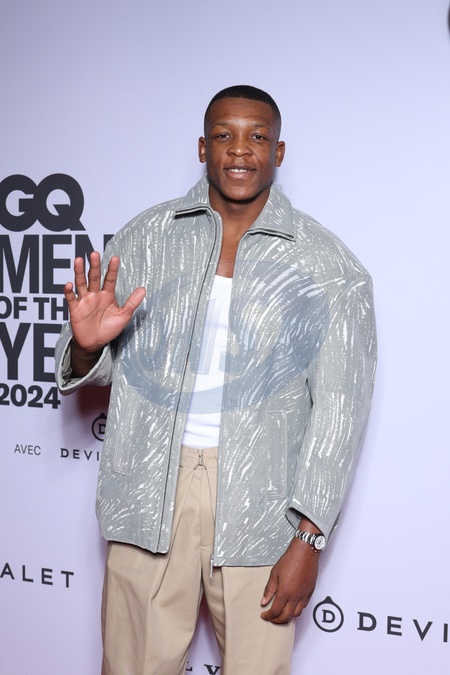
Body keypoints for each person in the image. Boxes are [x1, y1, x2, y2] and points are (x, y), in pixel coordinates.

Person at [55, 85, 377, 675]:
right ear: (203, 148)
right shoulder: (144, 238)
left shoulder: (329, 265)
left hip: (263, 505)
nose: (240, 149)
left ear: (279, 153)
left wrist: (309, 540)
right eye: (224, 135)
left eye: (258, 136)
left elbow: (339, 416)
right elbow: (81, 362)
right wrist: (85, 346)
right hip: (148, 492)